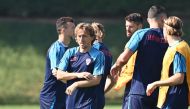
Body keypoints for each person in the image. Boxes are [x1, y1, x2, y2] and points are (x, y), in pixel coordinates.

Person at [110, 5, 168, 109]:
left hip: (140, 90)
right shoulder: (169, 38)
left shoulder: (141, 34)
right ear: (164, 19)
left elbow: (123, 59)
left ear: (148, 20)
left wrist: (116, 65)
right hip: (161, 92)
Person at [55, 23, 105, 109]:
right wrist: (78, 75)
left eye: (85, 36)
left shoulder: (98, 55)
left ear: (92, 38)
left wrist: (76, 84)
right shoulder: (70, 53)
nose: (81, 39)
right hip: (71, 100)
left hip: (88, 101)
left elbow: (96, 80)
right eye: (79, 36)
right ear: (76, 38)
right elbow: (59, 75)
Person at [146, 16, 190, 109]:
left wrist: (155, 83)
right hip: (170, 97)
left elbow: (179, 78)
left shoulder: (179, 48)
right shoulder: (175, 47)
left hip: (175, 98)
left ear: (166, 30)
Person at [40, 17, 75, 109]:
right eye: (72, 28)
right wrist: (76, 79)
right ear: (63, 30)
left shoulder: (68, 49)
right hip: (52, 96)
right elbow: (56, 73)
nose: (75, 30)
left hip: (63, 95)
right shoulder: (56, 48)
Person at [113, 13, 143, 109]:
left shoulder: (141, 40)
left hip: (136, 85)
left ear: (140, 26)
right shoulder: (131, 42)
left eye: (131, 26)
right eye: (126, 26)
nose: (127, 29)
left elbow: (123, 59)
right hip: (132, 84)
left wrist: (117, 66)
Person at [91, 22, 114, 109]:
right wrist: (102, 92)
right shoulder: (109, 53)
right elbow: (113, 79)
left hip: (88, 97)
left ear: (99, 34)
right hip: (99, 98)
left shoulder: (92, 50)